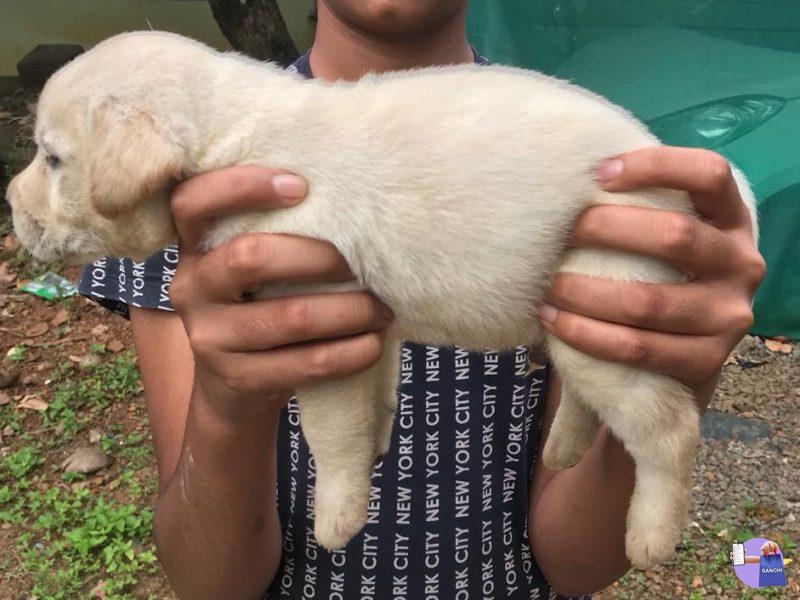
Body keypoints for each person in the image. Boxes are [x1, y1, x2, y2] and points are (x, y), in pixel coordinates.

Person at [78, 1, 765, 598]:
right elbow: (207, 582)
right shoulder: (186, 186)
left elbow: (576, 562)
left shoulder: (547, 128)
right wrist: (228, 409)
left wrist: (676, 358)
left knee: (600, 367)